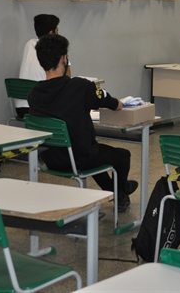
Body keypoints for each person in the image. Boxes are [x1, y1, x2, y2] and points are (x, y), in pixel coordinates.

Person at [27, 34, 137, 212]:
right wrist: (118, 103)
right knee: (122, 155)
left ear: (41, 62)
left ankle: (115, 192)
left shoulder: (34, 94)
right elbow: (109, 102)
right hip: (80, 157)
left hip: (52, 159)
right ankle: (119, 192)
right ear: (64, 58)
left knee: (95, 155)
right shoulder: (78, 86)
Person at [15, 14, 71, 118]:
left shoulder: (29, 44)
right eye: (57, 31)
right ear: (51, 33)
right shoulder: (56, 49)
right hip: (42, 108)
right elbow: (67, 79)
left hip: (21, 108)